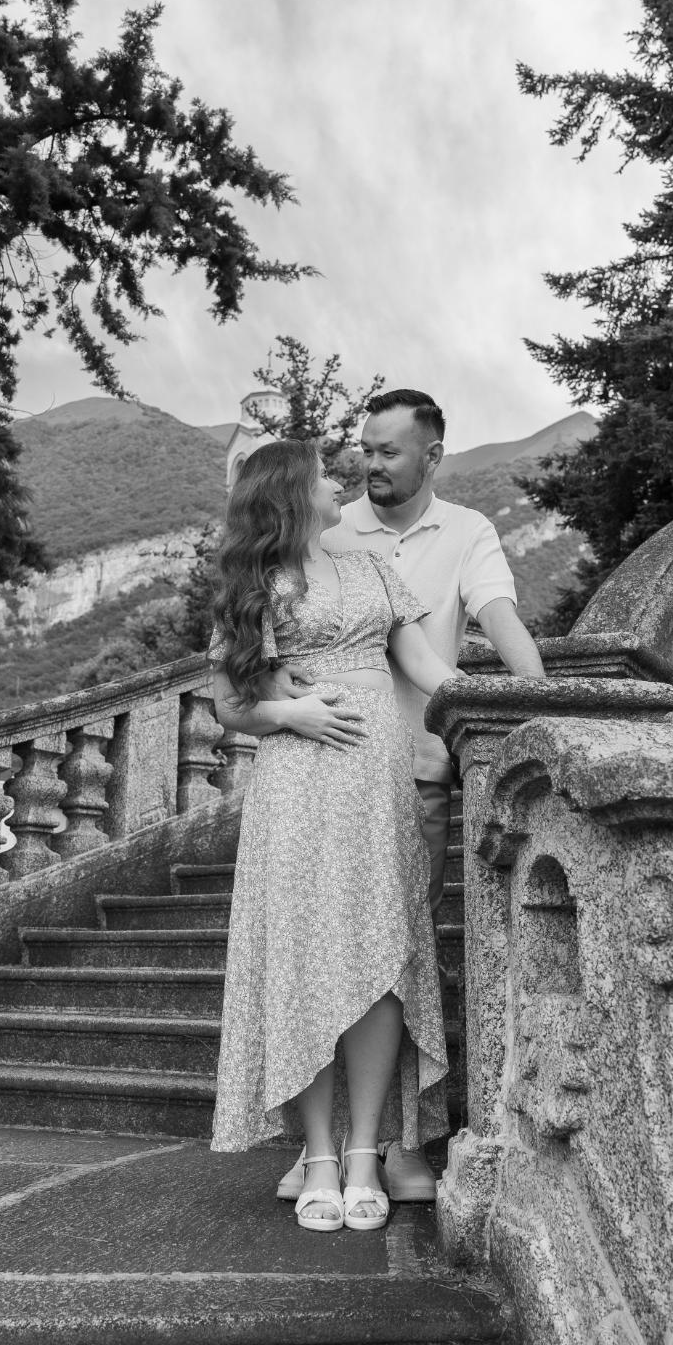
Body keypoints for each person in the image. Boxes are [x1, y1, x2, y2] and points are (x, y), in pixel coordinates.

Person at [278, 387, 545, 1205]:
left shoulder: (467, 531)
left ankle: (394, 1144)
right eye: (363, 448)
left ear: (433, 455)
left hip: (417, 775)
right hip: (320, 774)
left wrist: (537, 701)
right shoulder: (328, 527)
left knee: (396, 964)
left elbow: (496, 614)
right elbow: (256, 613)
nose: (369, 465)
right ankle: (318, 1148)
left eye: (389, 451)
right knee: (312, 959)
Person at [207, 438, 461, 1232]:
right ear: (290, 492)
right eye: (321, 474)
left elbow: (426, 666)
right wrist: (292, 713)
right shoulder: (256, 585)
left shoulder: (375, 571)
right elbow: (229, 704)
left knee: (380, 954)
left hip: (376, 787)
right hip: (298, 785)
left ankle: (364, 1153)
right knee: (304, 959)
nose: (335, 482)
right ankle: (318, 1152)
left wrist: (501, 702)